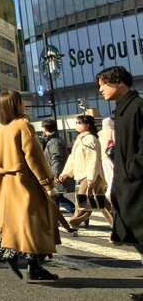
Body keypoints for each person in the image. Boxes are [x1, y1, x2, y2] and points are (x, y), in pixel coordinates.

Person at [0, 90, 59, 281]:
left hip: (6, 183)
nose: (25, 106)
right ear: (15, 104)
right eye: (21, 102)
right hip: (25, 182)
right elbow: (35, 158)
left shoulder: (1, 129)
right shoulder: (23, 125)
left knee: (16, 224)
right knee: (37, 224)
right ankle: (33, 265)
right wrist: (48, 184)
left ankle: (25, 261)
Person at [96, 66, 143, 300]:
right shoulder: (122, 111)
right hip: (127, 183)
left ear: (117, 82)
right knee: (134, 233)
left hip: (137, 184)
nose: (100, 90)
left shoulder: (137, 107)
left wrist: (133, 170)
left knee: (139, 232)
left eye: (103, 84)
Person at [59, 114, 113, 231]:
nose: (76, 125)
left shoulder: (90, 139)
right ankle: (118, 224)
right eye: (76, 122)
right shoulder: (80, 139)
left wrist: (91, 178)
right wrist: (65, 173)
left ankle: (74, 222)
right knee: (100, 202)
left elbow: (93, 160)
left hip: (90, 175)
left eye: (79, 122)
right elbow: (72, 158)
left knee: (82, 200)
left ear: (87, 125)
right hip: (86, 175)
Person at [42, 119, 76, 214]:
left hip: (55, 174)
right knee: (56, 198)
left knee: (56, 197)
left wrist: (55, 174)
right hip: (55, 172)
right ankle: (57, 219)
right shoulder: (56, 139)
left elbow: (56, 158)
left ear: (44, 128)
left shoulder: (53, 142)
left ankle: (75, 213)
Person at [98, 116, 115, 198]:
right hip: (111, 156)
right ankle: (110, 194)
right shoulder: (112, 131)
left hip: (103, 157)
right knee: (113, 175)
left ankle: (109, 193)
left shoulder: (100, 133)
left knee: (108, 177)